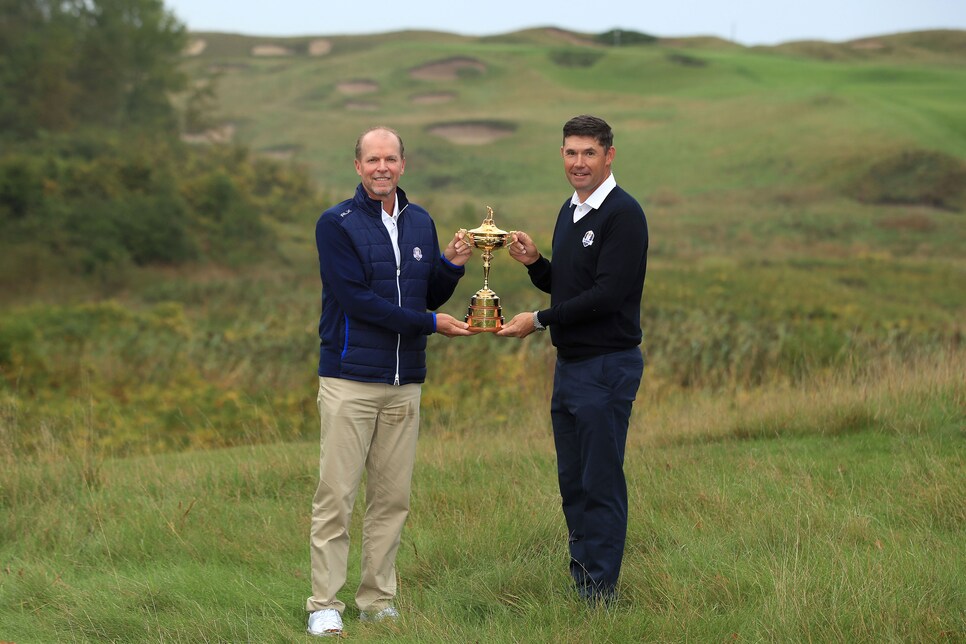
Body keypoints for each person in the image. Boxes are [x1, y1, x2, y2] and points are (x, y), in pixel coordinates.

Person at [306, 126, 475, 637]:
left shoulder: (421, 221)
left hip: (406, 383)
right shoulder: (334, 224)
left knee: (391, 499)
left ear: (404, 165)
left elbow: (426, 293)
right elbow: (358, 300)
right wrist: (428, 324)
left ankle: (377, 600)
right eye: (373, 159)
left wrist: (452, 265)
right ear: (357, 166)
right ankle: (323, 605)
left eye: (391, 159)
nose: (383, 167)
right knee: (337, 495)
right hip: (350, 380)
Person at [497, 114, 648, 605]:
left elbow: (605, 297)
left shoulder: (623, 215)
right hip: (571, 368)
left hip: (607, 366)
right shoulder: (571, 209)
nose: (578, 163)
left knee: (600, 482)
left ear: (609, 155)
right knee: (573, 482)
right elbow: (571, 286)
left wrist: (537, 320)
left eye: (588, 153)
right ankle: (584, 582)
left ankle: (601, 596)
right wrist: (537, 264)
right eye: (570, 152)